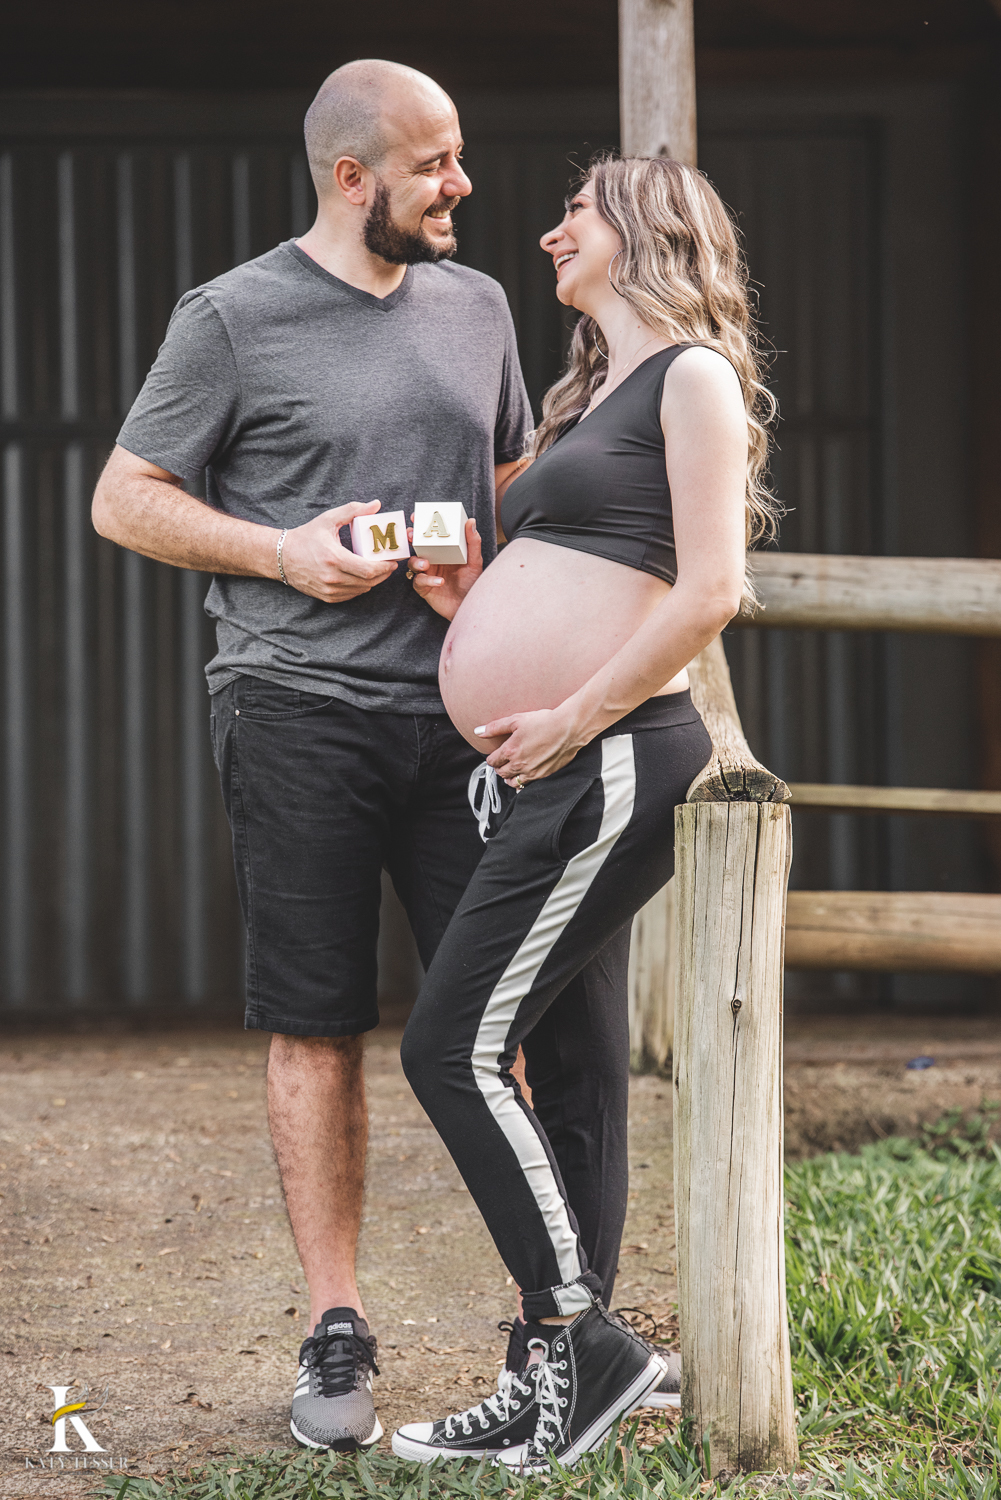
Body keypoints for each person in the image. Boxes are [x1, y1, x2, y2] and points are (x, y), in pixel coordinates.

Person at [90, 61, 644, 1454]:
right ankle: (336, 1323)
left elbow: (515, 483)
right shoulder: (231, 317)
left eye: (457, 157)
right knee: (316, 1023)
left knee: (500, 1020)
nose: (462, 185)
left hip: (461, 714)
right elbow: (122, 497)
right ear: (352, 179)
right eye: (433, 164)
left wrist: (489, 569)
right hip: (293, 708)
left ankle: (551, 1333)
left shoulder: (478, 307)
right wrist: (284, 552)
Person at [392, 154, 778, 1470]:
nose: (550, 229)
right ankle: (547, 1377)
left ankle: (581, 1337)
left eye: (575, 210)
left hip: (609, 758)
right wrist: (477, 613)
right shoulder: (590, 397)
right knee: (567, 1071)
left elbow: (709, 589)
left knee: (449, 1044)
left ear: (643, 230)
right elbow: (583, 576)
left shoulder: (693, 380)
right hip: (549, 764)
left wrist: (568, 715)